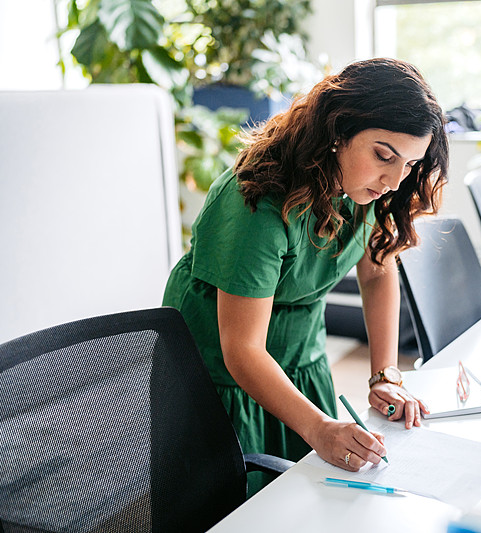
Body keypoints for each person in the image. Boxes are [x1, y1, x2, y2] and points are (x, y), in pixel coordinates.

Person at [162, 58, 449, 494]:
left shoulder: (361, 186)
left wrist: (384, 375)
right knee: (236, 505)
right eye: (383, 155)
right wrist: (318, 428)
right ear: (337, 130)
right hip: (223, 375)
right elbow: (242, 349)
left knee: (306, 494)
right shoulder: (256, 202)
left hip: (300, 356)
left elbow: (376, 271)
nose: (393, 179)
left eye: (409, 164)